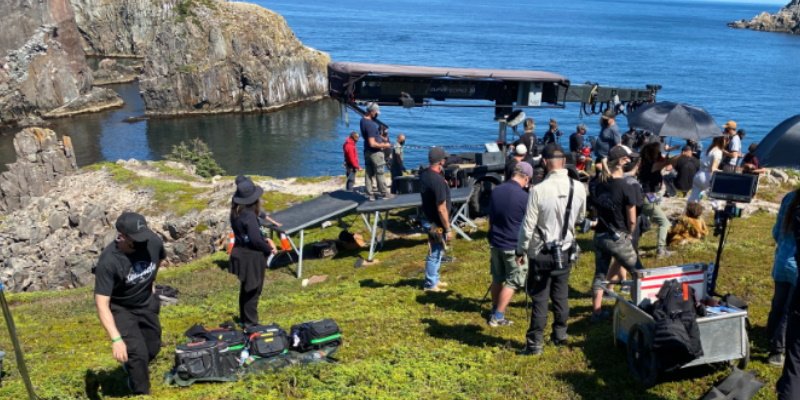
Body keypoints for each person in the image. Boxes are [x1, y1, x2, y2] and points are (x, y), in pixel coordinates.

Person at [517, 144, 586, 354]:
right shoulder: (579, 187)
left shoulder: (538, 190)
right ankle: (560, 334)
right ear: (564, 161)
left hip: (541, 251)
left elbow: (528, 226)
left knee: (539, 297)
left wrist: (521, 250)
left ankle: (535, 343)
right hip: (565, 250)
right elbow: (581, 218)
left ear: (545, 163)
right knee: (561, 294)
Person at [93, 212, 165, 395]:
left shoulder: (153, 242)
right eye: (136, 239)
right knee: (137, 353)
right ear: (122, 236)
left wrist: (152, 290)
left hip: (147, 302)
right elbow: (102, 304)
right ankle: (141, 392)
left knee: (152, 347)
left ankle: (133, 366)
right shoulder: (108, 261)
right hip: (121, 309)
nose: (142, 242)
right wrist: (116, 339)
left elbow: (158, 261)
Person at [590, 145, 644, 322]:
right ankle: (641, 309)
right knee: (640, 273)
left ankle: (596, 312)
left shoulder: (598, 183)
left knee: (600, 274)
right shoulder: (625, 186)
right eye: (627, 158)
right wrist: (630, 233)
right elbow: (632, 219)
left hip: (600, 234)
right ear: (621, 162)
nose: (629, 160)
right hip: (618, 236)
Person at [487, 162, 533, 327]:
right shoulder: (524, 197)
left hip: (495, 241)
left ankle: (494, 308)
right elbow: (529, 224)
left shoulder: (496, 190)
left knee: (497, 277)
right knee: (514, 281)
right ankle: (498, 316)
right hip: (513, 245)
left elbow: (490, 219)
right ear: (526, 178)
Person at [229, 177, 277, 327]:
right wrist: (269, 248)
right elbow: (256, 240)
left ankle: (245, 320)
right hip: (252, 257)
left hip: (240, 253)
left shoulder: (236, 212)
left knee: (246, 289)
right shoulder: (249, 216)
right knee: (253, 290)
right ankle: (251, 324)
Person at [768, 189, 799, 366]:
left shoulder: (789, 197)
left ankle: (771, 333)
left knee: (778, 301)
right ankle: (777, 350)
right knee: (790, 308)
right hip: (797, 264)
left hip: (782, 259)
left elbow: (776, 231)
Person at [777, 193, 800, 399]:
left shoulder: (792, 200)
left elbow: (778, 232)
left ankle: (775, 347)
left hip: (785, 261)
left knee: (794, 364)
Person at [420, 147, 452, 292]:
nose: (445, 161)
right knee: (435, 252)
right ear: (441, 161)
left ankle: (434, 278)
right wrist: (448, 228)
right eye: (444, 159)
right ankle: (430, 284)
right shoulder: (437, 180)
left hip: (429, 218)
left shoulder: (425, 174)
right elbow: (441, 208)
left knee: (438, 251)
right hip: (436, 223)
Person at [638, 142, 673, 258]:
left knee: (638, 223)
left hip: (643, 196)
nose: (659, 153)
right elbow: (667, 163)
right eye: (658, 151)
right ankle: (661, 250)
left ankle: (632, 247)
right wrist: (681, 154)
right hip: (647, 198)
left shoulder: (644, 162)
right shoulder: (652, 165)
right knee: (665, 223)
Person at [360, 102, 393, 201]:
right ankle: (384, 193)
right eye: (376, 112)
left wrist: (381, 137)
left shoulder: (362, 120)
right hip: (375, 153)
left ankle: (369, 194)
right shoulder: (370, 125)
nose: (377, 114)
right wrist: (385, 145)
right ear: (371, 111)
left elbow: (371, 137)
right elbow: (372, 143)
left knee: (369, 173)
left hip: (367, 151)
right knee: (380, 172)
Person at [688, 135, 726, 203]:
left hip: (698, 174)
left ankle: (689, 210)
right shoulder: (718, 152)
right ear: (723, 141)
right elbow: (713, 169)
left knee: (693, 198)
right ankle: (717, 210)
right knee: (716, 198)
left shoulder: (708, 149)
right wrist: (722, 172)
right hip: (707, 176)